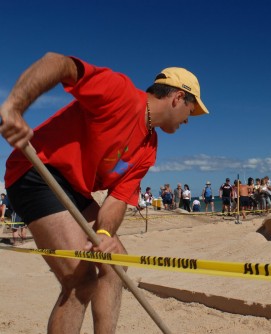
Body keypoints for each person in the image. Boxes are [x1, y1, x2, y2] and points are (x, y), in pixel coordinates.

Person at [0, 52, 208, 333]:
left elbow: (118, 198)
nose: (188, 119)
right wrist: (14, 107)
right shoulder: (120, 94)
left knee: (115, 266)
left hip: (76, 188)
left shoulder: (149, 147)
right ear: (178, 98)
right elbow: (58, 63)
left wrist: (106, 234)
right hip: (36, 172)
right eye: (191, 110)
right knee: (80, 279)